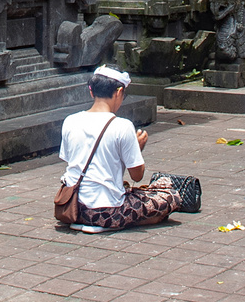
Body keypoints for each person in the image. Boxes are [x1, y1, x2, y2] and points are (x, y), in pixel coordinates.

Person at [56, 65, 177, 233]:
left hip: (73, 208)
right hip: (107, 211)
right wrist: (137, 148)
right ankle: (117, 222)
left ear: (92, 91)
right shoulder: (123, 126)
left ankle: (95, 222)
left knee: (131, 188)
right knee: (171, 196)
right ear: (119, 91)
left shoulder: (70, 120)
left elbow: (73, 162)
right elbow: (137, 175)